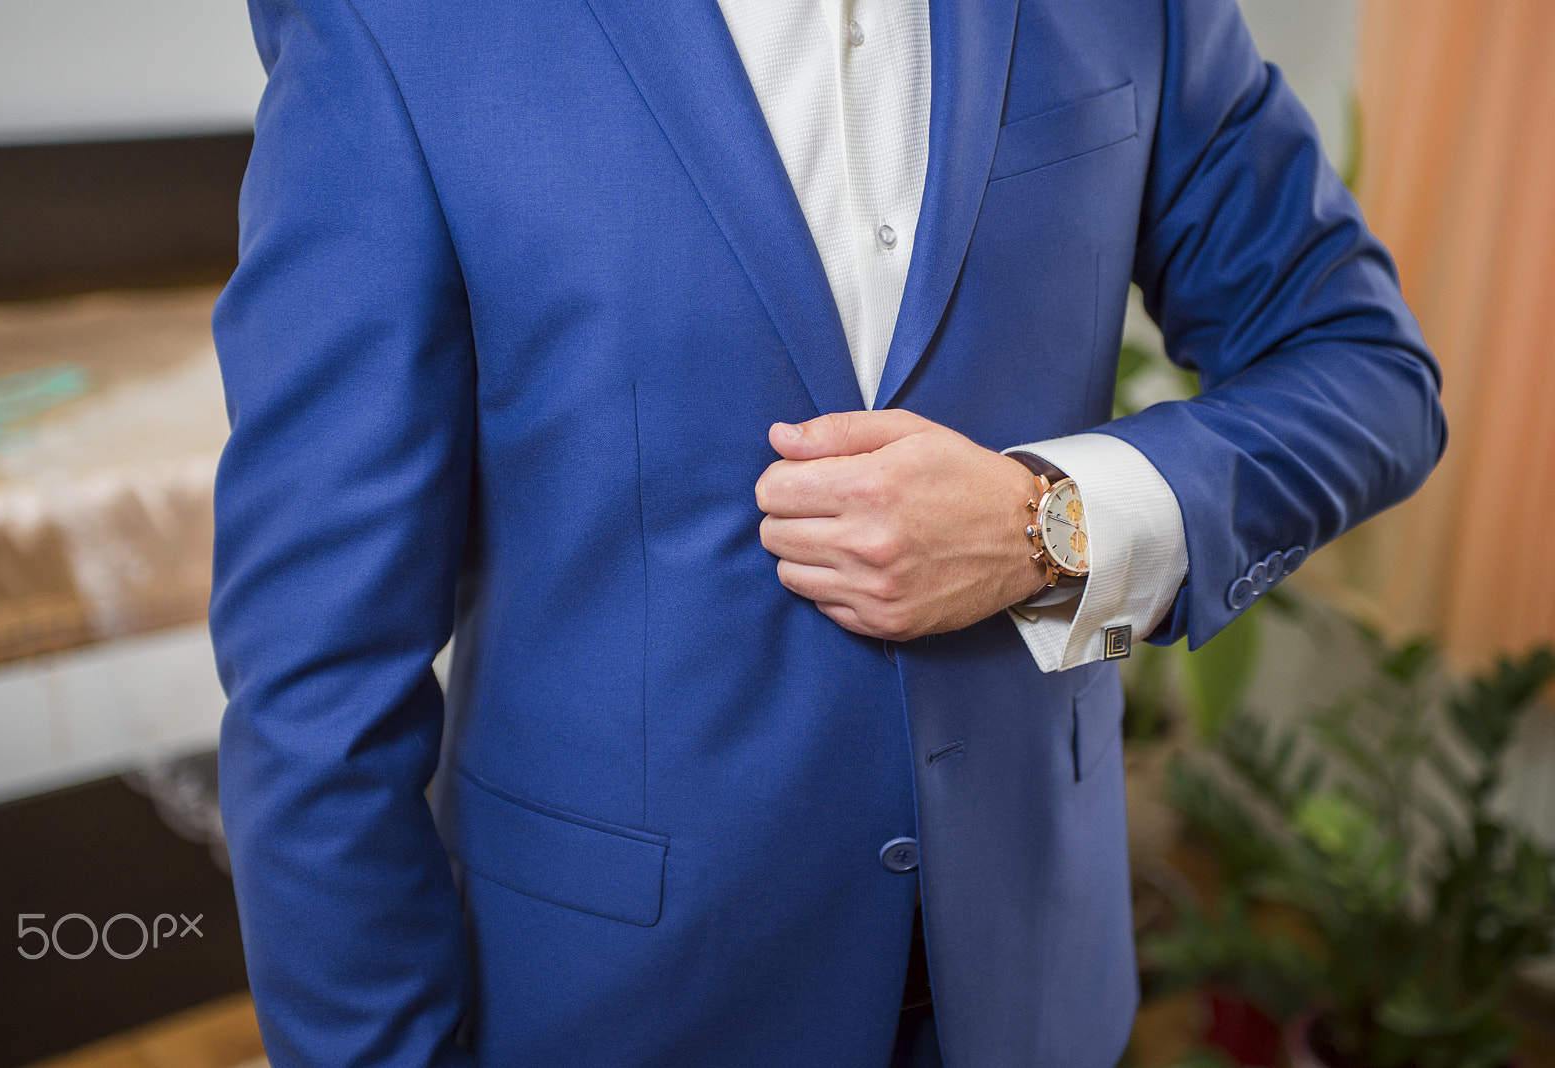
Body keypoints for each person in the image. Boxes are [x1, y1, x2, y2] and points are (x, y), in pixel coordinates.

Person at [208, 0, 1444, 1065]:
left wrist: (1052, 526)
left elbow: (1366, 371)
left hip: (1033, 993)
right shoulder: (395, 27)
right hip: (622, 1010)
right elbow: (317, 682)